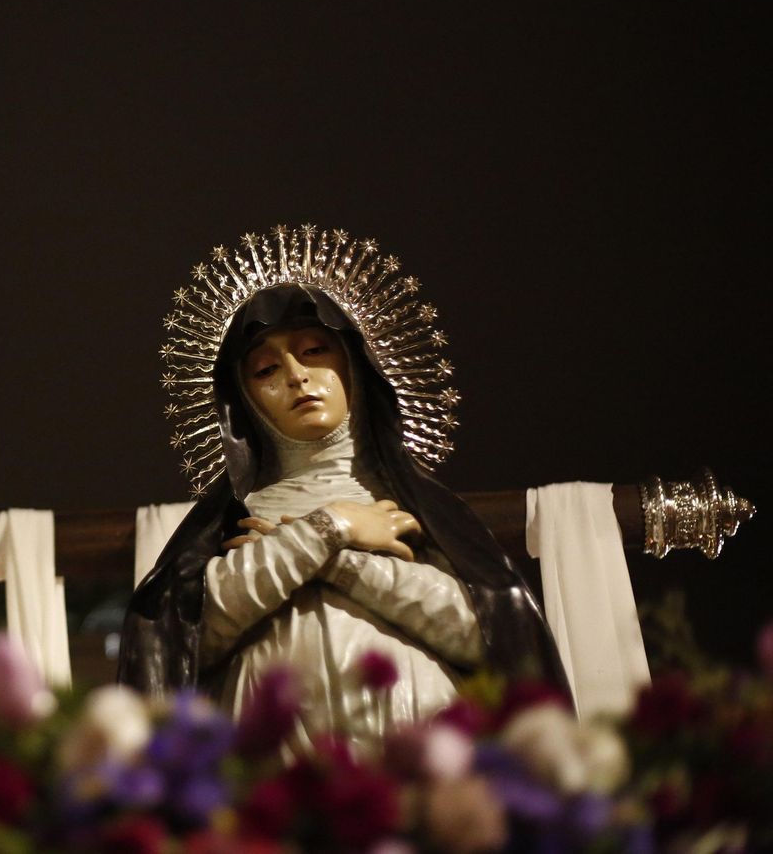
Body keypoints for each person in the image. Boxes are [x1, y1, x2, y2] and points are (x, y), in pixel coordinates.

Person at [119, 234, 565, 752]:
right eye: (266, 369)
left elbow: (480, 631)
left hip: (413, 742)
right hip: (272, 758)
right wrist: (335, 527)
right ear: (243, 399)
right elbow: (188, 636)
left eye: (314, 351)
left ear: (355, 364)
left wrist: (329, 558)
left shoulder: (415, 506)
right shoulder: (233, 518)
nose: (296, 375)